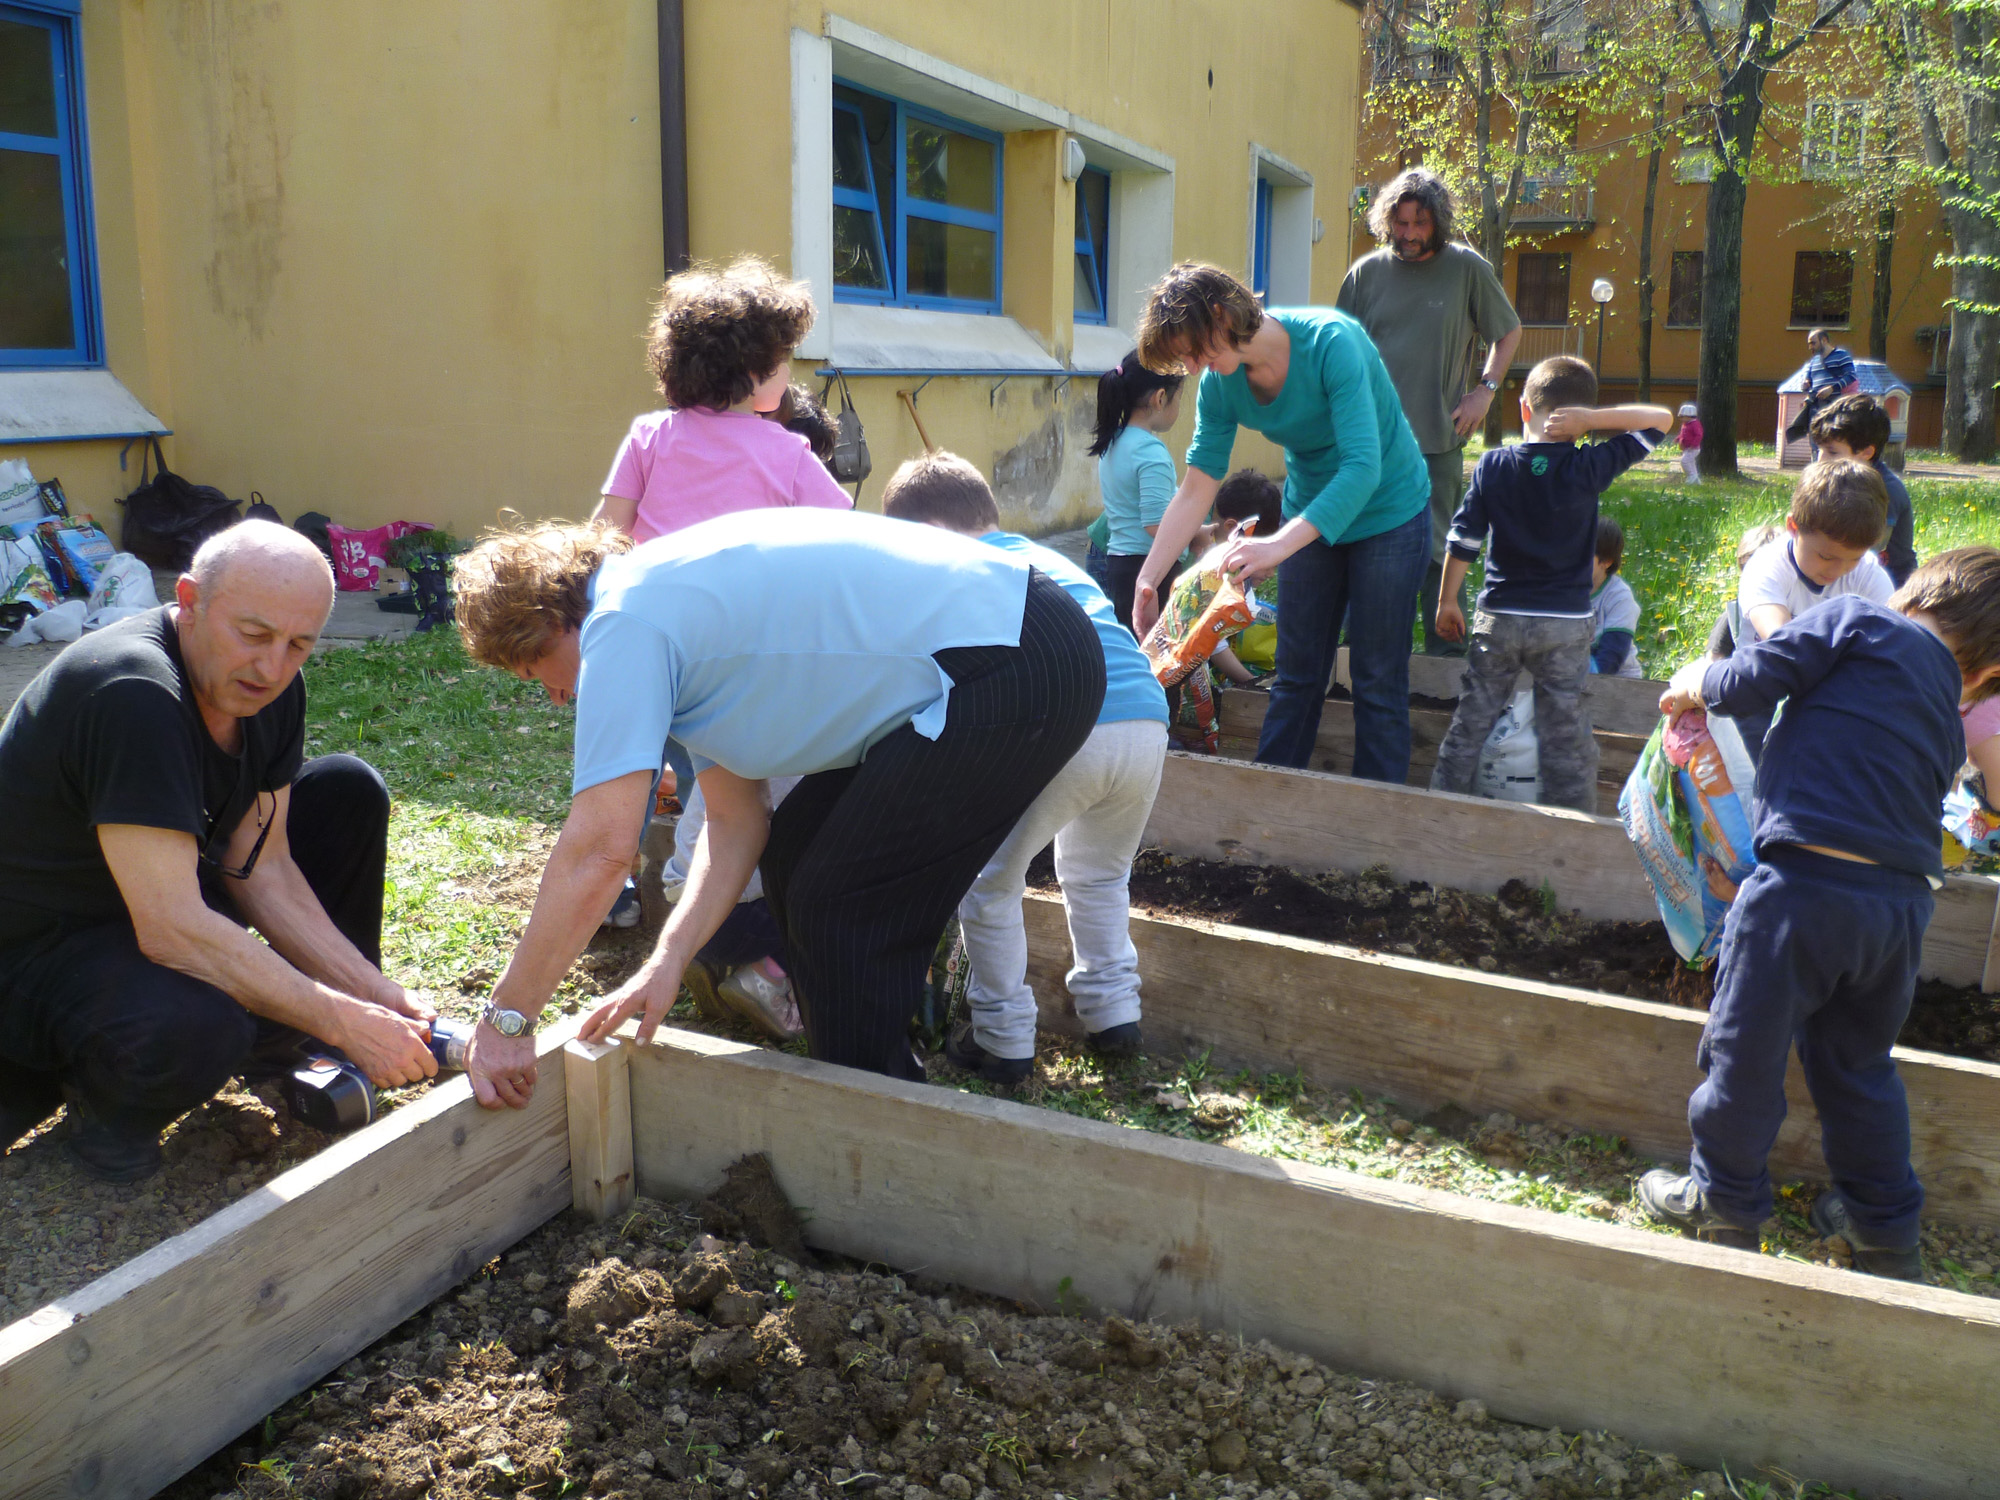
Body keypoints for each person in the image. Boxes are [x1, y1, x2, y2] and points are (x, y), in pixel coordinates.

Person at [451, 509, 1104, 1102]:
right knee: (796, 855)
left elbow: (600, 851)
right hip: (1014, 648)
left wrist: (508, 1017)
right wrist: (668, 961)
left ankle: (873, 1132)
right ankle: (872, 1097)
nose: (556, 697)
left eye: (536, 674)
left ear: (546, 625)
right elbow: (739, 827)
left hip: (1017, 657)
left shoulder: (624, 621)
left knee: (837, 901)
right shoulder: (662, 617)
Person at [0, 522, 432, 1179]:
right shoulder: (133, 692)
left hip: (146, 897)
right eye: (253, 635)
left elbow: (264, 866)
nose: (272, 668)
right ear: (190, 599)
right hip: (36, 951)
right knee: (202, 1022)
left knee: (345, 790)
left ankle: (286, 1054)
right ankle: (105, 1121)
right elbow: (173, 929)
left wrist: (371, 994)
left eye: (299, 645)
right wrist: (341, 1017)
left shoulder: (268, 690)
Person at [1637, 547, 2000, 1280]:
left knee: (1746, 1053)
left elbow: (1751, 678)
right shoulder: (1948, 709)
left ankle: (1726, 1200)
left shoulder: (1857, 621)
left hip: (1801, 892)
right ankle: (1883, 1227)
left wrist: (1696, 679)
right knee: (1858, 1068)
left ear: (1912, 593)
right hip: (1896, 913)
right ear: (1986, 674)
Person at [880, 452, 1168, 1085]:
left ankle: (1004, 1039)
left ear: (925, 533)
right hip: (1146, 719)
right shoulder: (1049, 559)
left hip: (1073, 722)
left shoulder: (959, 572)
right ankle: (1114, 1014)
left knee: (990, 876)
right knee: (1098, 875)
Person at [592, 256, 852, 936]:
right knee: (721, 783)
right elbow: (847, 544)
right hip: (740, 658)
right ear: (757, 370)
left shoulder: (648, 435)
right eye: (786, 360)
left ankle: (614, 883)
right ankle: (704, 907)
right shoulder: (789, 453)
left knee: (628, 768)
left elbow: (603, 538)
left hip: (653, 645)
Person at [1129, 262, 1432, 782]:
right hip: (1311, 511)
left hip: (1389, 512)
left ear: (1221, 313)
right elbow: (1199, 483)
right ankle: (1270, 808)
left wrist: (1275, 546)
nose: (1196, 366)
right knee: (1297, 674)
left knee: (1377, 677)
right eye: (1185, 359)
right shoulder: (1222, 385)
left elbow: (1363, 467)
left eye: (1195, 349)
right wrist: (1148, 578)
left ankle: (1377, 828)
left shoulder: (1333, 343)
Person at [1428, 357, 1669, 813]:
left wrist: (1446, 602)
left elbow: (1463, 541)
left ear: (1523, 408)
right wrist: (1593, 421)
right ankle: (1572, 825)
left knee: (1471, 723)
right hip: (1564, 625)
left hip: (1498, 618)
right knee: (1566, 738)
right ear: (1579, 422)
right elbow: (1661, 420)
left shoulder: (1493, 464)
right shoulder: (1589, 466)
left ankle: (1441, 810)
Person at [1337, 168, 1522, 656]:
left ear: (1437, 221)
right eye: (1400, 223)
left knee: (1439, 554)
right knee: (1366, 548)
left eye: (1420, 223)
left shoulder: (1466, 268)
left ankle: (1445, 669)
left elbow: (1508, 333)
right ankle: (1363, 661)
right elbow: (1338, 354)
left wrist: (1485, 390)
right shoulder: (1366, 273)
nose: (1409, 234)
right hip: (1369, 445)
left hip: (1437, 440)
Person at [1737, 460, 1893, 643]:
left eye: (1855, 559)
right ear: (1793, 527)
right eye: (1826, 557)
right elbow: (1783, 646)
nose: (1837, 571)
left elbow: (1892, 641)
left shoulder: (1868, 573)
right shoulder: (1766, 567)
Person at [1087, 352, 1185, 632]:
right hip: (1150, 570)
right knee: (1159, 657)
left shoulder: (1113, 441)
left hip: (1119, 564)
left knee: (1133, 652)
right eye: (1178, 398)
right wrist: (1195, 531)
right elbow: (1156, 525)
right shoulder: (1150, 451)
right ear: (1160, 398)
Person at [1809, 393, 1917, 586]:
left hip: (1889, 586)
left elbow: (1864, 553)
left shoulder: (1885, 491)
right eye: (1820, 450)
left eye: (1832, 452)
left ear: (1867, 452)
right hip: (1841, 574)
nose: (1821, 460)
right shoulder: (1838, 482)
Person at [1589, 516, 1644, 680]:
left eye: (1584, 557)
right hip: (1575, 672)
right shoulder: (1566, 589)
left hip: (1619, 680)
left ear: (1606, 562)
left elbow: (1611, 657)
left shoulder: (1620, 598)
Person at [1800, 327, 1860, 455]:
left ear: (1824, 340)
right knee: (1815, 439)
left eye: (1813, 342)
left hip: (1834, 405)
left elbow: (1851, 376)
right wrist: (1805, 384)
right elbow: (1808, 380)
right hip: (1816, 406)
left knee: (1833, 438)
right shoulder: (1813, 361)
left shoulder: (1842, 355)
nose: (1810, 347)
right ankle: (1817, 468)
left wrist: (1832, 388)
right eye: (1809, 343)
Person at [1676, 403, 1702, 483]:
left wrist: (1693, 445)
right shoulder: (1685, 424)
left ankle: (1691, 476)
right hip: (1686, 448)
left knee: (1684, 461)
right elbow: (1682, 434)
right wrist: (1678, 439)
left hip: (1693, 448)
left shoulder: (1695, 424)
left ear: (1689, 416)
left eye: (1683, 417)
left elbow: (1699, 435)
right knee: (1691, 462)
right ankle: (1696, 480)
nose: (1681, 419)